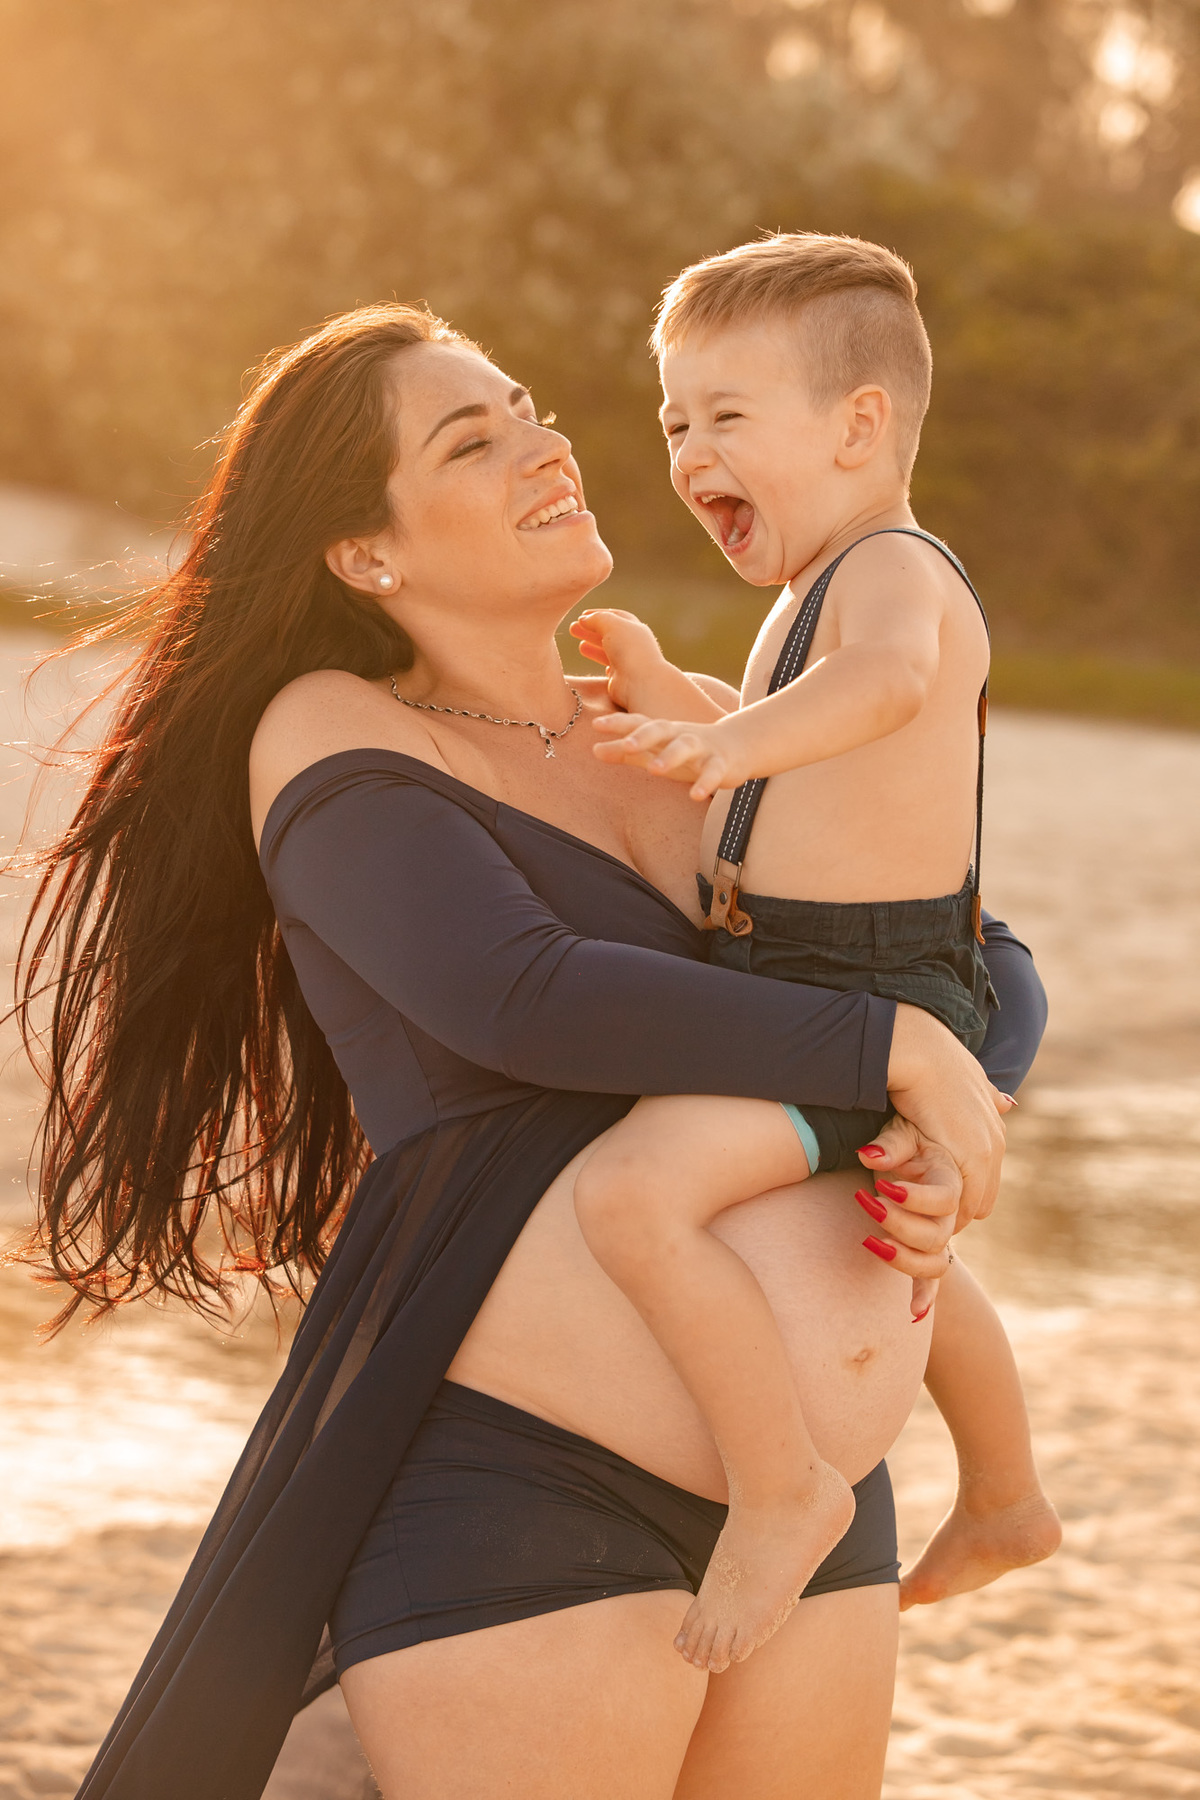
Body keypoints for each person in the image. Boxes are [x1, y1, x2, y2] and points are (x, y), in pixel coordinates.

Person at [18, 301, 1045, 1800]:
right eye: (470, 438)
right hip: (529, 1478)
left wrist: (943, 1100)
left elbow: (965, 953)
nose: (544, 445)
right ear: (368, 553)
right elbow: (516, 993)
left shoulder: (682, 735)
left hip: (818, 1500)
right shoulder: (339, 731)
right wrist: (885, 1049)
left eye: (529, 407)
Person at [569, 234, 1061, 1674]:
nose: (688, 449)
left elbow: (887, 686)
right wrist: (679, 693)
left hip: (866, 983)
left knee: (635, 1199)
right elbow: (796, 750)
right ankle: (1011, 1493)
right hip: (805, 977)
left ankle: (782, 1482)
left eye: (727, 416)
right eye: (673, 422)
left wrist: (719, 736)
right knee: (890, 1232)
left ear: (859, 427)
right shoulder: (809, 591)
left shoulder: (897, 574)